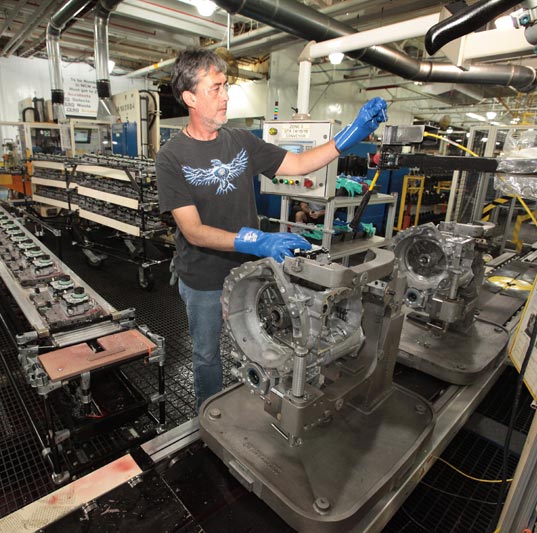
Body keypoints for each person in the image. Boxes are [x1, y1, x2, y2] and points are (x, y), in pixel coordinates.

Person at [155, 48, 387, 410]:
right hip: (203, 279)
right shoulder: (171, 157)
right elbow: (193, 230)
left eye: (226, 86)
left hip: (250, 272)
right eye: (215, 88)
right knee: (206, 356)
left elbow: (296, 163)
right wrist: (257, 239)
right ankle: (209, 415)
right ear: (189, 98)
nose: (226, 95)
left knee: (256, 342)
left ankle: (248, 409)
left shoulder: (240, 141)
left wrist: (350, 135)